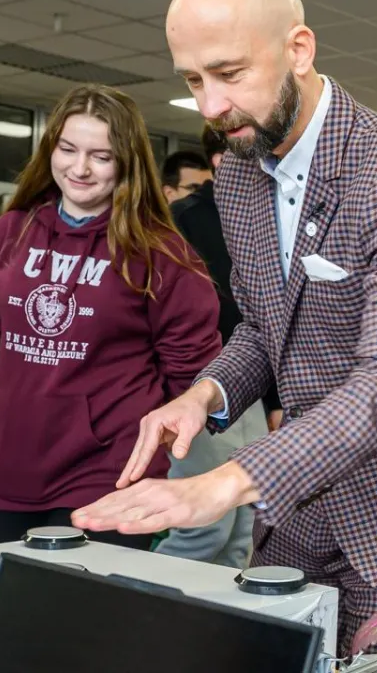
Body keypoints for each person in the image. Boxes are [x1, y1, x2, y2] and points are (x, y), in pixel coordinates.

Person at [71, 0, 377, 672]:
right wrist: (204, 396)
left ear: (299, 49)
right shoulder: (237, 175)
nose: (209, 107)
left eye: (230, 74)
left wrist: (228, 481)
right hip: (299, 500)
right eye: (193, 81)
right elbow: (269, 327)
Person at [0, 84, 221, 550]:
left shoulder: (159, 251)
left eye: (100, 156)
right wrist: (17, 392)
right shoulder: (13, 229)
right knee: (11, 609)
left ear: (127, 162)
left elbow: (191, 368)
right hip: (10, 463)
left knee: (87, 617)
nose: (79, 168)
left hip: (107, 472)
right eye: (67, 149)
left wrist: (121, 424)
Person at [155, 151, 278, 568]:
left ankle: (216, 622)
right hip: (197, 384)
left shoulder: (263, 215)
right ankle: (150, 616)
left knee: (245, 528)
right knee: (205, 529)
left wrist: (275, 399)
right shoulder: (180, 219)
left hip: (248, 387)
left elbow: (264, 320)